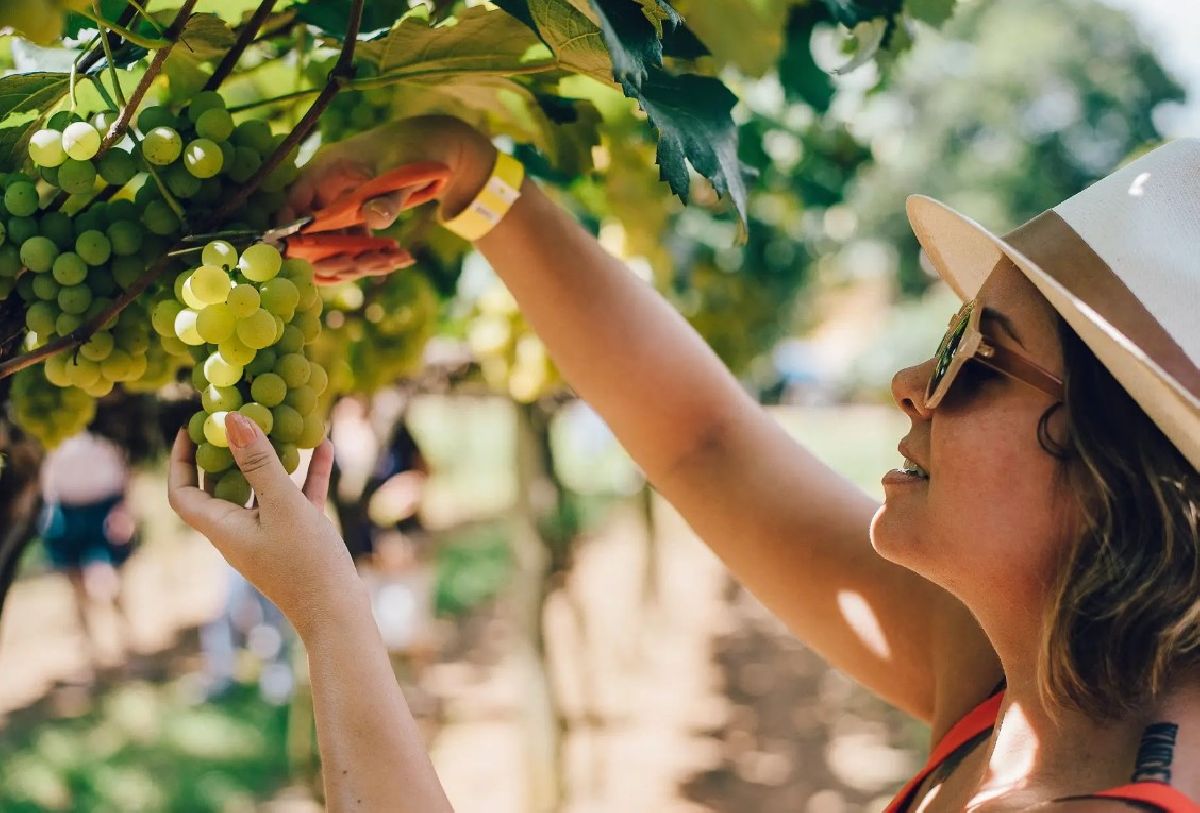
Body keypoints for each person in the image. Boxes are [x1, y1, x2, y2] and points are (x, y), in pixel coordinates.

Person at [168, 117, 1200, 812]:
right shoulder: (1034, 687)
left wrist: (330, 616)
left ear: (1132, 475)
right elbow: (702, 441)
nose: (908, 382)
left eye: (975, 363)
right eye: (945, 339)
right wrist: (474, 177)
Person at [39, 430, 137, 674]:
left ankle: (127, 648)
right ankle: (91, 656)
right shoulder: (47, 427)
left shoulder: (106, 423)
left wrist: (124, 509)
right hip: (66, 509)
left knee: (112, 583)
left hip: (104, 506)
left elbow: (124, 463)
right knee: (76, 587)